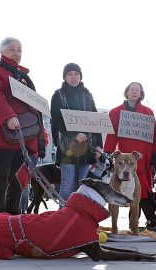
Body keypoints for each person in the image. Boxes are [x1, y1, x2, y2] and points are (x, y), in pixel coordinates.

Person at [0, 37, 45, 216]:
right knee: (0, 181)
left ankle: (12, 217)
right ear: (1, 51)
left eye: (19, 49)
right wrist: (8, 116)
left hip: (23, 137)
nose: (16, 53)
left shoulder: (23, 76)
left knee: (19, 181)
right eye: (12, 49)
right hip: (4, 135)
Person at [104, 82, 156, 229]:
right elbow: (112, 134)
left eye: (138, 90)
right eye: (132, 89)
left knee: (143, 188)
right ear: (127, 92)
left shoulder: (148, 112)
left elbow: (155, 135)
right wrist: (108, 151)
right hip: (126, 158)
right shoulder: (116, 112)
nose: (135, 92)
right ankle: (138, 221)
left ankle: (145, 220)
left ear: (141, 93)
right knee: (131, 188)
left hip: (144, 156)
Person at [50, 63, 103, 202]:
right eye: (70, 74)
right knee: (67, 182)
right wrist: (74, 134)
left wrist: (99, 145)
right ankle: (63, 215)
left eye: (76, 74)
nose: (73, 77)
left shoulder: (87, 94)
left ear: (80, 76)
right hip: (67, 147)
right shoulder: (58, 95)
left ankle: (78, 216)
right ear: (65, 77)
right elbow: (57, 120)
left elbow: (95, 120)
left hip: (86, 147)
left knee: (82, 184)